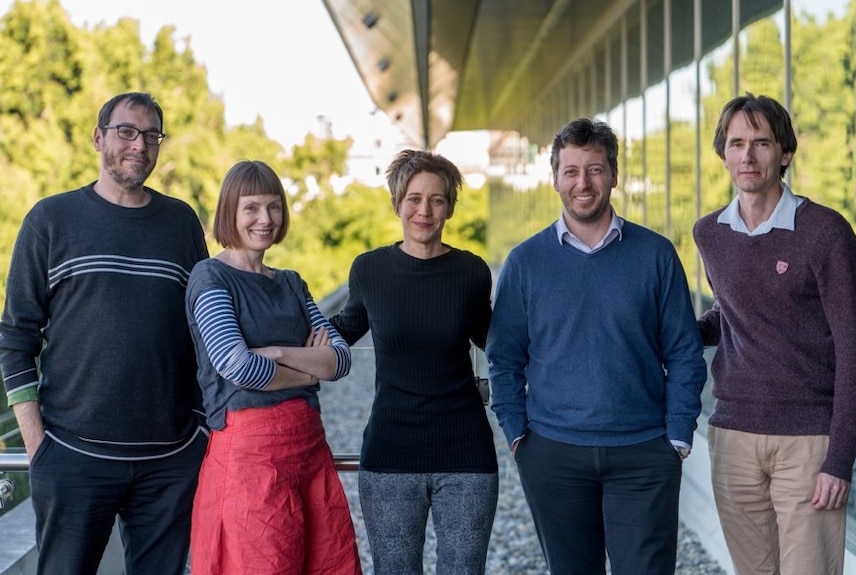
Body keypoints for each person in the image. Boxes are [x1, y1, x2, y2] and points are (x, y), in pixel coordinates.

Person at [0, 92, 209, 574]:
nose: (139, 145)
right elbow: (15, 338)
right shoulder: (50, 221)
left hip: (170, 460)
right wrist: (39, 449)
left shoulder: (181, 223)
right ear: (99, 137)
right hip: (71, 455)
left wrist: (200, 429)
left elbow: (203, 331)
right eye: (126, 131)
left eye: (151, 135)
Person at [486, 117, 706, 574]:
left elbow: (684, 351)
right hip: (553, 452)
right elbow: (504, 358)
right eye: (571, 171)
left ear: (614, 175)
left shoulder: (656, 254)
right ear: (554, 179)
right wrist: (517, 435)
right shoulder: (525, 263)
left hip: (644, 452)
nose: (582, 183)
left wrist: (679, 434)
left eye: (595, 169)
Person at [693, 93, 856, 575]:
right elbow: (730, 317)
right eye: (736, 143)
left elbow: (854, 348)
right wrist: (664, 331)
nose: (747, 156)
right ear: (723, 152)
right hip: (731, 436)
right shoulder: (710, 233)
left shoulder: (825, 232)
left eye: (761, 143)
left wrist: (840, 459)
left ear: (784, 153)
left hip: (808, 439)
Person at [185, 160, 361, 575]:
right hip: (249, 462)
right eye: (251, 208)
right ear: (230, 211)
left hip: (310, 451)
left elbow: (340, 361)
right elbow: (237, 366)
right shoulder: (211, 278)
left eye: (274, 207)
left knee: (328, 564)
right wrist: (308, 369)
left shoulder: (292, 282)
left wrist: (277, 353)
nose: (265, 219)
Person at [329, 149, 498, 574]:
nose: (425, 210)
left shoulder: (471, 271)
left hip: (466, 458)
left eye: (437, 200)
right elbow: (341, 330)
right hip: (390, 457)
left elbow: (499, 339)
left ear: (450, 208)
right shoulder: (369, 269)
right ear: (397, 203)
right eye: (414, 198)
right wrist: (268, 330)